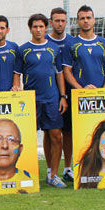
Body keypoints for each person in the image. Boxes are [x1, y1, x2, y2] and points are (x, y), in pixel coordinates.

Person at [14, 13, 68, 188]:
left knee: (55, 136)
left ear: (46, 28)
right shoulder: (23, 50)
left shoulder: (54, 49)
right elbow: (17, 75)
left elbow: (59, 74)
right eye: (35, 27)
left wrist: (63, 96)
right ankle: (25, 174)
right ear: (30, 29)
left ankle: (53, 174)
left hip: (52, 99)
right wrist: (16, 91)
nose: (38, 30)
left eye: (41, 27)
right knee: (27, 139)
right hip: (30, 101)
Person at [45, 8, 74, 182]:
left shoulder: (72, 42)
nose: (60, 24)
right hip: (50, 94)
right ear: (51, 22)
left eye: (63, 20)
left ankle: (68, 168)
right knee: (51, 132)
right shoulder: (44, 41)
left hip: (70, 91)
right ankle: (50, 170)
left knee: (68, 131)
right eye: (57, 20)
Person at [63, 5, 105, 90]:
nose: (86, 21)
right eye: (82, 18)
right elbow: (66, 71)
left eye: (88, 18)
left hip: (101, 92)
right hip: (80, 93)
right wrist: (81, 90)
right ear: (77, 22)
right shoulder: (70, 44)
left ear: (94, 20)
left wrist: (104, 90)